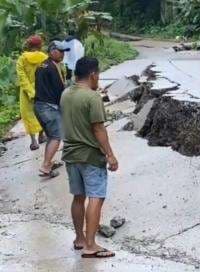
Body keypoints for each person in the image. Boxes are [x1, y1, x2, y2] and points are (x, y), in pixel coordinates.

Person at [61, 57, 118, 258]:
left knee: (78, 197)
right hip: (90, 156)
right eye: (98, 75)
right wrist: (110, 155)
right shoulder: (92, 97)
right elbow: (98, 128)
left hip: (70, 154)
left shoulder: (65, 93)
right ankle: (91, 245)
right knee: (96, 196)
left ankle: (79, 239)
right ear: (93, 74)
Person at [34, 41, 69, 178]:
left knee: (51, 135)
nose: (63, 54)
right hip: (48, 107)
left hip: (38, 106)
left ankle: (49, 162)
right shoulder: (52, 68)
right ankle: (46, 166)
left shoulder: (42, 66)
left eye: (63, 51)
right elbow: (59, 90)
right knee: (56, 136)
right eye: (61, 51)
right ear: (53, 51)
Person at [16, 35, 47, 151]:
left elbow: (22, 77)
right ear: (39, 45)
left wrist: (30, 91)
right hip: (42, 89)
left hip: (25, 92)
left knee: (28, 115)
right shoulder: (44, 57)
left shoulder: (22, 59)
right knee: (42, 113)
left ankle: (33, 141)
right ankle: (41, 136)